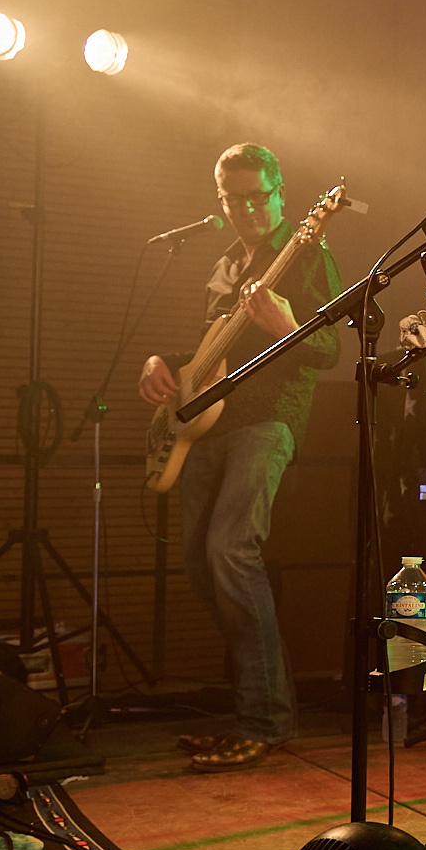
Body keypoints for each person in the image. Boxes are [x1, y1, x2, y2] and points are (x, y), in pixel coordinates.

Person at [137, 144, 343, 771]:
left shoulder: (307, 253)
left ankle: (265, 720)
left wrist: (287, 327)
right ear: (221, 200)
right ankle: (257, 709)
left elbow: (329, 349)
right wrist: (162, 363)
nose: (249, 208)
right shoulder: (225, 264)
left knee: (230, 550)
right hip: (206, 424)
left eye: (259, 196)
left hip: (267, 420)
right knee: (204, 567)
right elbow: (211, 345)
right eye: (235, 199)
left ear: (280, 193)